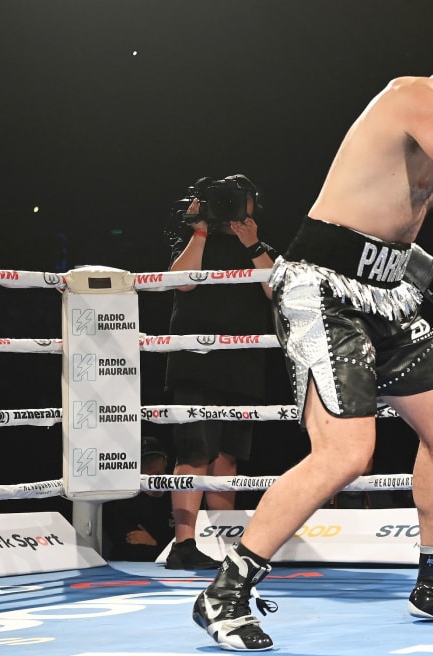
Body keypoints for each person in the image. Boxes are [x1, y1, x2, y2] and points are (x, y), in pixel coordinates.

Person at [192, 11, 433, 651]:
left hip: (385, 295)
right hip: (324, 292)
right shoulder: (412, 95)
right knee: (344, 452)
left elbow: (386, 222)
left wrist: (430, 275)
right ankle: (226, 589)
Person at [163, 174, 278, 570]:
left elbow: (276, 290)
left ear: (252, 203)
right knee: (195, 449)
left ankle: (226, 539)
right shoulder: (193, 242)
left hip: (243, 362)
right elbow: (182, 283)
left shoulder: (259, 248)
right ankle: (184, 543)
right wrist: (198, 231)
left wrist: (252, 243)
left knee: (228, 455)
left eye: (238, 198)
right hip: (195, 360)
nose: (231, 205)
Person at [102, 436, 174, 562]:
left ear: (165, 461)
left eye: (155, 459)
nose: (152, 466)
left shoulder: (179, 497)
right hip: (134, 569)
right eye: (145, 461)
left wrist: (155, 543)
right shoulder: (124, 502)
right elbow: (132, 549)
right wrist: (162, 546)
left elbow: (188, 546)